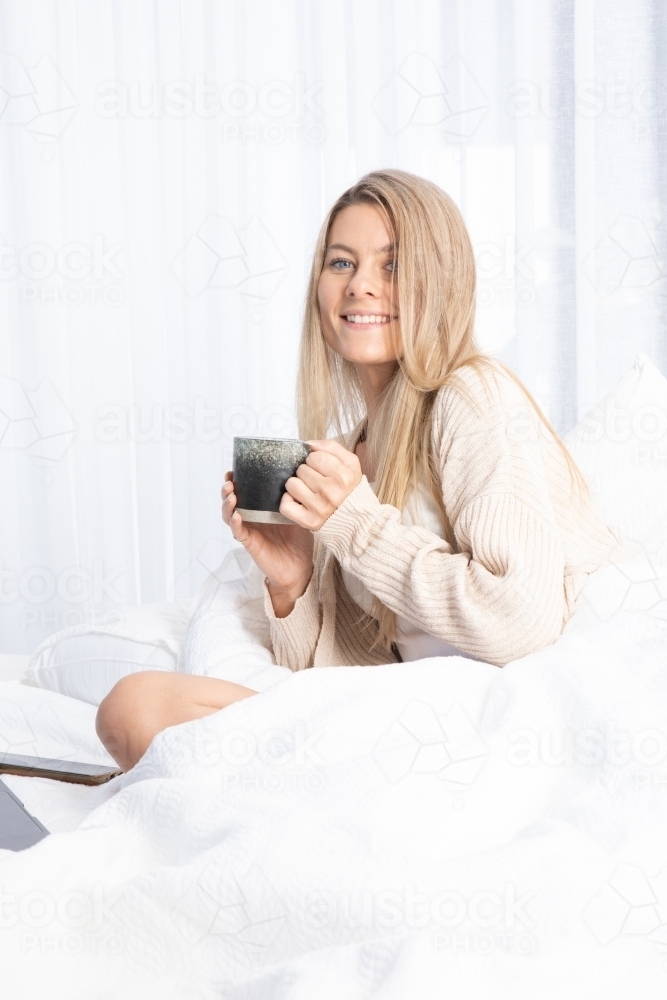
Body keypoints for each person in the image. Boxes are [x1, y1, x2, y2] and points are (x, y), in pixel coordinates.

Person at [96, 169, 619, 771]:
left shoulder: (472, 396)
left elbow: (521, 621)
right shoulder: (350, 452)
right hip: (409, 720)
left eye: (391, 266)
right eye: (341, 263)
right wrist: (292, 583)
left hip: (490, 726)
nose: (361, 287)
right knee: (132, 710)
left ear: (440, 283)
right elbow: (347, 679)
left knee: (139, 711)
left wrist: (357, 527)